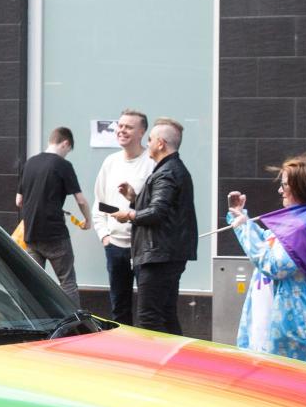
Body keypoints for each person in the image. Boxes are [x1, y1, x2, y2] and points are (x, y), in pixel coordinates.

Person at [224, 155, 306, 370]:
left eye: (284, 185)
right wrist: (241, 218)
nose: (280, 191)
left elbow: (273, 264)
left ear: (302, 188)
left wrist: (243, 227)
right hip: (303, 328)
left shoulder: (305, 227)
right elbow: (272, 241)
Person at [114, 117, 196, 335]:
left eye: (150, 139)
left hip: (159, 255)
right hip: (167, 253)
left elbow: (157, 212)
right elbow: (163, 207)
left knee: (149, 317)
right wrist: (134, 198)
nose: (147, 144)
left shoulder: (167, 171)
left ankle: (158, 366)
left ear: (160, 143)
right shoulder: (171, 169)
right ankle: (176, 363)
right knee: (166, 314)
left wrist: (130, 214)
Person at [13, 128, 91, 299]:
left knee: (33, 283)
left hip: (31, 234)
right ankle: (74, 325)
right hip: (55, 235)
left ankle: (33, 322)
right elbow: (81, 200)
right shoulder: (63, 165)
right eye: (68, 151)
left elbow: (19, 200)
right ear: (65, 143)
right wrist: (88, 220)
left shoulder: (30, 163)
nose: (66, 155)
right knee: (67, 282)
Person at [92, 110, 152, 324]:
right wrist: (105, 236)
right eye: (120, 126)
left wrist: (133, 199)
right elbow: (100, 204)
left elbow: (155, 207)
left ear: (142, 132)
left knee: (148, 309)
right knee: (119, 307)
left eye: (129, 127)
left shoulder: (150, 162)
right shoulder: (111, 162)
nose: (122, 130)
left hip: (143, 246)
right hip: (115, 246)